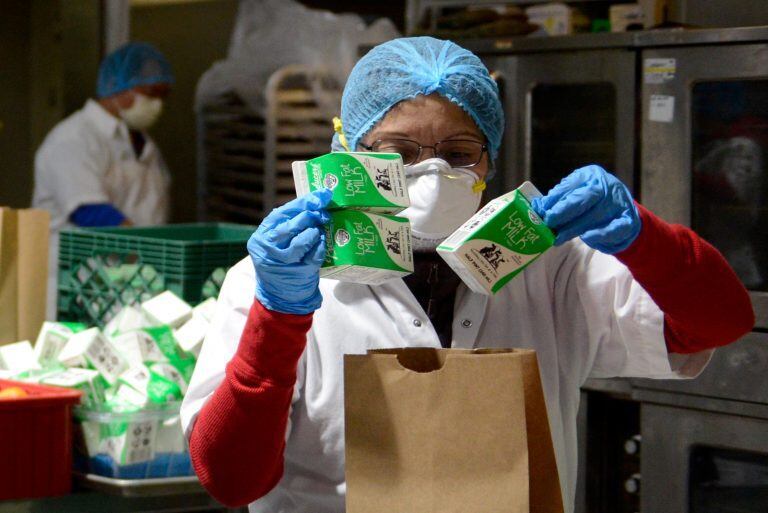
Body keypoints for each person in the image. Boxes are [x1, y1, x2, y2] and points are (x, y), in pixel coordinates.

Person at [181, 37, 754, 513]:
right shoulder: (282, 280)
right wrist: (279, 318)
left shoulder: (549, 268)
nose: (431, 172)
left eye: (459, 154)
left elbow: (717, 323)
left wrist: (645, 240)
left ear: (490, 162)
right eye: (398, 152)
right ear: (350, 153)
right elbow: (231, 480)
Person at [33, 42, 174, 319]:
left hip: (130, 278)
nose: (157, 104)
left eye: (164, 95)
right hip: (78, 279)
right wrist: (155, 252)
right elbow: (90, 212)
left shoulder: (144, 144)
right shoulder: (74, 138)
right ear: (118, 87)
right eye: (150, 93)